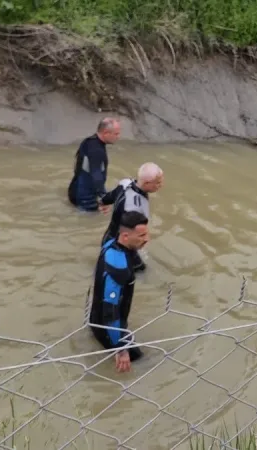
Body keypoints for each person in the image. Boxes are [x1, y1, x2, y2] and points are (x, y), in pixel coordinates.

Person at [88, 210, 150, 373]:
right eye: (142, 236)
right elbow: (111, 310)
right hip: (107, 328)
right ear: (125, 236)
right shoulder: (118, 266)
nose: (147, 239)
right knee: (143, 364)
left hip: (95, 318)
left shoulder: (110, 245)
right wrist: (121, 348)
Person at [99, 162, 164, 272]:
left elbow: (110, 196)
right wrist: (143, 242)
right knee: (140, 271)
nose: (161, 185)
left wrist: (102, 203)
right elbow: (132, 235)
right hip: (120, 246)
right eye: (157, 183)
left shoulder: (126, 183)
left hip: (109, 238)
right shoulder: (135, 207)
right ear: (147, 183)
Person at [67, 118, 122, 212]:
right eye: (116, 134)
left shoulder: (89, 141)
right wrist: (105, 198)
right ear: (106, 133)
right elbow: (97, 175)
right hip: (85, 200)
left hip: (75, 190)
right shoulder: (97, 151)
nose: (118, 137)